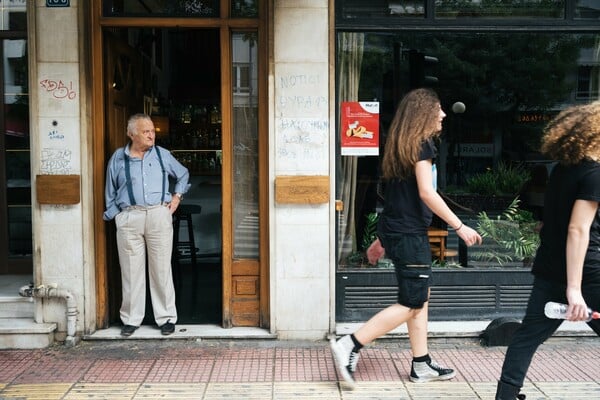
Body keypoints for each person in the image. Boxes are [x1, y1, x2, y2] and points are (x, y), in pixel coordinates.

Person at [331, 88, 482, 389]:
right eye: (437, 109)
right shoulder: (423, 146)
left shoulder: (401, 146)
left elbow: (395, 201)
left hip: (400, 233)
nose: (442, 114)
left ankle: (421, 363)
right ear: (423, 113)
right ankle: (350, 344)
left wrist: (381, 240)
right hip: (411, 236)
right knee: (412, 302)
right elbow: (427, 193)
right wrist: (458, 226)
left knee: (420, 298)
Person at [495, 101, 600, 400]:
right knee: (528, 336)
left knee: (527, 337)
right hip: (586, 272)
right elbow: (577, 230)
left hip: (550, 267)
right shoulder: (594, 174)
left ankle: (505, 396)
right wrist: (574, 290)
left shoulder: (564, 170)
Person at [103, 113, 190, 337]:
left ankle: (166, 318)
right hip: (129, 217)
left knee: (161, 269)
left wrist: (177, 197)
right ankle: (131, 319)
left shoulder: (162, 155)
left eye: (152, 131)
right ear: (131, 134)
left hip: (157, 215)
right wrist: (117, 217)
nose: (152, 135)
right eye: (146, 131)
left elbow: (183, 174)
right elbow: (109, 191)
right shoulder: (118, 159)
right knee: (131, 271)